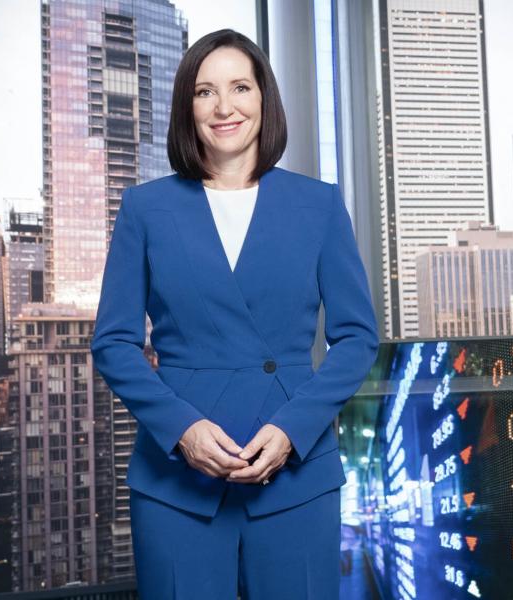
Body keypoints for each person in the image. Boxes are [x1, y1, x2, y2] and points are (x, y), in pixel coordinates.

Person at [90, 28, 379, 600]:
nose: (224, 107)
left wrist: (292, 431)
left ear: (264, 100)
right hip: (178, 478)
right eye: (205, 92)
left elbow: (357, 339)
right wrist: (182, 431)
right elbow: (114, 343)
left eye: (240, 87)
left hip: (296, 471)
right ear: (186, 107)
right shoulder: (145, 209)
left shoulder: (318, 205)